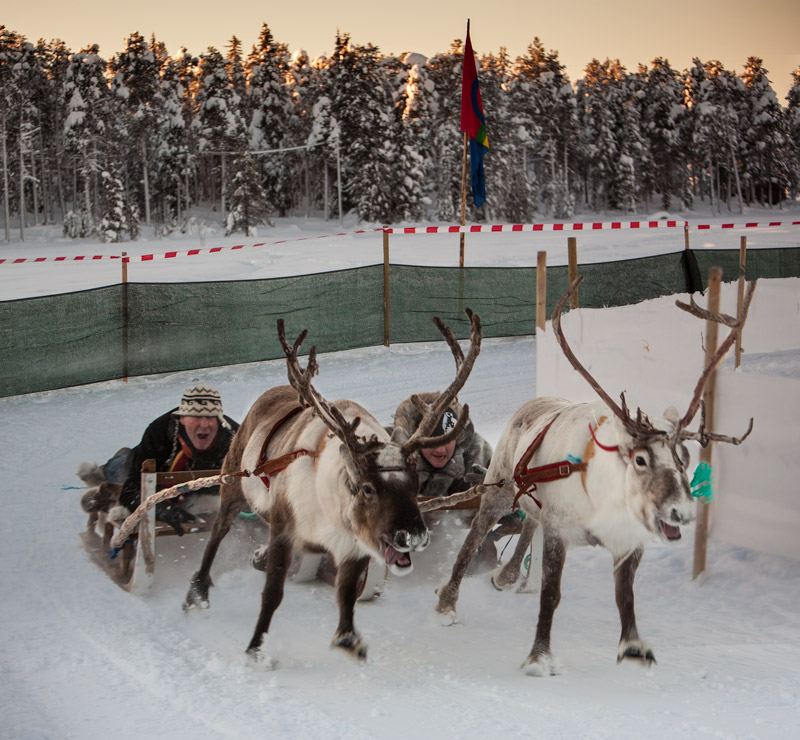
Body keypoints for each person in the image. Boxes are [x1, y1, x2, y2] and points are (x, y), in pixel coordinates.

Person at [77, 385, 239, 535]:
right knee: (120, 470)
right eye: (196, 417)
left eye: (210, 418)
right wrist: (162, 509)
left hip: (192, 485)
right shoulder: (159, 432)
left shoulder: (234, 437)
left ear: (219, 420)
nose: (204, 425)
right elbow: (131, 489)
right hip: (144, 466)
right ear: (182, 418)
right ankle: (102, 473)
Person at [390, 392, 493, 498]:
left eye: (447, 441)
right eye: (431, 442)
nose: (440, 450)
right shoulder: (386, 455)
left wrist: (490, 490)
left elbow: (507, 502)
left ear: (458, 439)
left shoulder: (481, 455)